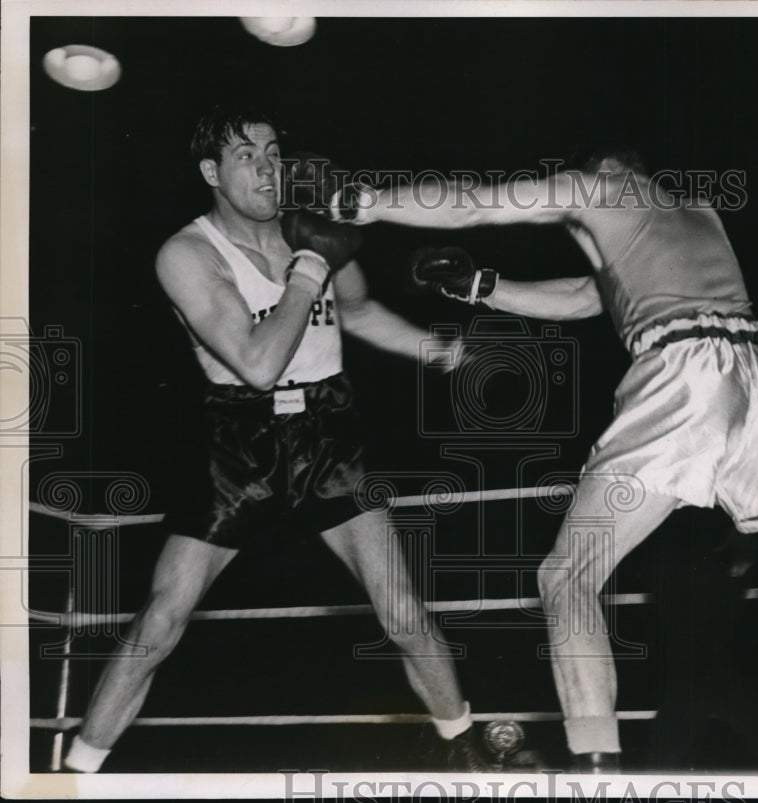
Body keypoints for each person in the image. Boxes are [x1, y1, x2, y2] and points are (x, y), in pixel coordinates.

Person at [330, 151, 758, 773]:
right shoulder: (690, 218)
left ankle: (598, 770)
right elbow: (587, 298)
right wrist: (483, 286)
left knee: (567, 575)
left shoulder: (603, 182)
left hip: (686, 377)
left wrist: (365, 200)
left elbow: (476, 203)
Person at [62, 107, 489, 773]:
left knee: (403, 608)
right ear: (212, 171)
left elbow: (357, 309)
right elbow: (257, 362)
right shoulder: (187, 253)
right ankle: (73, 774)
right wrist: (312, 262)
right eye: (246, 154)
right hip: (240, 441)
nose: (267, 166)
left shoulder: (311, 225)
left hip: (330, 434)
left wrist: (438, 351)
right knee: (161, 618)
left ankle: (468, 750)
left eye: (273, 152)